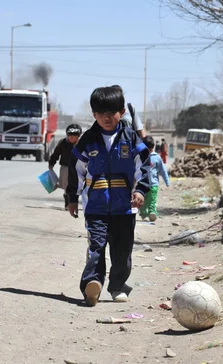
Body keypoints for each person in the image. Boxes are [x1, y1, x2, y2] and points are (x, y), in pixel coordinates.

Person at [66, 85, 151, 306]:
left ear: (121, 112)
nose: (106, 117)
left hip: (124, 207)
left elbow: (143, 166)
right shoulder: (88, 140)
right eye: (100, 113)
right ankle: (91, 285)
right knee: (96, 246)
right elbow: (76, 169)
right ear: (93, 114)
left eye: (111, 112)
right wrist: (72, 199)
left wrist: (140, 190)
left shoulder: (130, 138)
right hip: (95, 206)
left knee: (122, 250)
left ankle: (117, 286)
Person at [48, 124, 83, 208]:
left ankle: (73, 201)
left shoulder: (82, 144)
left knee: (76, 186)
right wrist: (51, 163)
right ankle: (67, 203)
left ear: (78, 136)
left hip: (78, 168)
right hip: (65, 167)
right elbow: (56, 154)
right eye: (70, 136)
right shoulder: (62, 143)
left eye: (74, 136)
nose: (72, 138)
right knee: (67, 186)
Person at [140, 135, 170, 222]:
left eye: (150, 149)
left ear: (153, 147)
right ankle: (143, 212)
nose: (149, 151)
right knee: (143, 201)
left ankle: (152, 212)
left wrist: (167, 181)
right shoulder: (140, 157)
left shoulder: (157, 157)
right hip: (142, 185)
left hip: (154, 184)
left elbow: (163, 171)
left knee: (152, 200)